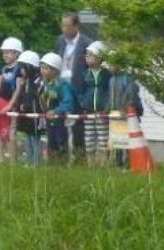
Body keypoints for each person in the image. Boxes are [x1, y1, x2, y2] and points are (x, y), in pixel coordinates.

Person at [55, 13, 93, 160]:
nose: (64, 29)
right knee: (59, 124)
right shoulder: (60, 41)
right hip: (61, 89)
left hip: (78, 90)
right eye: (62, 25)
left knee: (79, 127)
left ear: (76, 26)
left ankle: (79, 157)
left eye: (67, 26)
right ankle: (61, 156)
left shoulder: (86, 43)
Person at [40, 51, 79, 162]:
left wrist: (56, 111)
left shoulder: (62, 85)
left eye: (46, 68)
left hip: (61, 120)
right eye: (41, 67)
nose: (42, 71)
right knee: (51, 141)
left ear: (55, 71)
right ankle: (52, 164)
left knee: (61, 141)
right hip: (50, 119)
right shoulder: (45, 84)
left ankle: (63, 163)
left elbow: (68, 102)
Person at [0, 37, 25, 161]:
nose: (5, 55)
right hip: (0, 104)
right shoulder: (4, 69)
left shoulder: (20, 69)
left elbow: (18, 89)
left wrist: (10, 105)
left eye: (8, 52)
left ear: (16, 53)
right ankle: (0, 160)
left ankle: (13, 162)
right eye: (4, 52)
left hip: (12, 106)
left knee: (11, 135)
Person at [106, 56, 143, 168]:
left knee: (127, 141)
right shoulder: (111, 80)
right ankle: (118, 164)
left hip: (126, 116)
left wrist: (126, 109)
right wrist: (106, 109)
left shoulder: (126, 78)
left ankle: (128, 164)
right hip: (115, 116)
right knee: (117, 141)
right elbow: (110, 98)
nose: (109, 67)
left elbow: (131, 96)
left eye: (111, 65)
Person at [13, 50, 46, 166]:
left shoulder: (38, 81)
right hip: (26, 115)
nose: (21, 71)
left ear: (30, 67)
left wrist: (26, 104)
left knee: (35, 139)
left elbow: (36, 96)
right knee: (27, 138)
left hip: (35, 115)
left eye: (23, 68)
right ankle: (29, 161)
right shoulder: (25, 81)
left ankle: (36, 163)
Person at [81, 41, 111, 161]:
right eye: (86, 54)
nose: (87, 57)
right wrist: (83, 105)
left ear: (99, 57)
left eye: (90, 54)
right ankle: (91, 164)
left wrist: (107, 108)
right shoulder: (84, 74)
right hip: (88, 112)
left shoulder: (107, 74)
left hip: (102, 112)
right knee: (89, 139)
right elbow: (80, 92)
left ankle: (103, 163)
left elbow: (110, 93)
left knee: (103, 139)